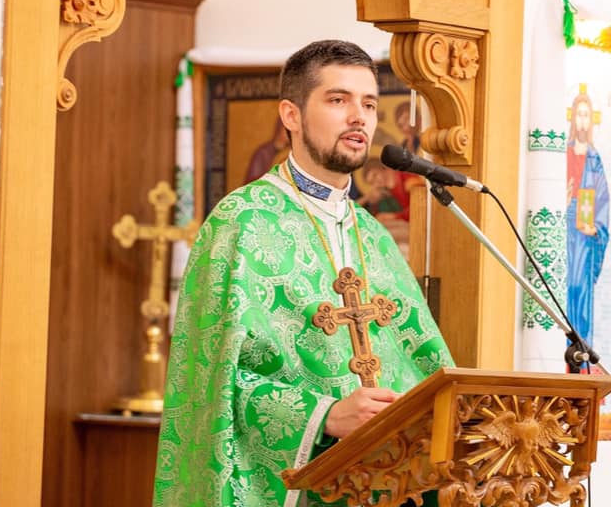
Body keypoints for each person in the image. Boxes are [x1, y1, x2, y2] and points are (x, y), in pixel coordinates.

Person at [153, 40, 453, 507]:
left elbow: (422, 361)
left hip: (383, 483)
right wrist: (324, 415)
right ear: (290, 115)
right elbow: (211, 384)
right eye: (338, 100)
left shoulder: (373, 236)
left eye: (368, 104)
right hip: (296, 484)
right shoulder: (242, 223)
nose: (359, 117)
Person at [565, 89, 609, 352]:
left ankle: (581, 357)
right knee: (564, 287)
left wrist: (596, 228)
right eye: (579, 115)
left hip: (584, 236)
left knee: (580, 290)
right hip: (564, 231)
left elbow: (602, 198)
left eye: (586, 116)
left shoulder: (594, 159)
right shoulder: (564, 154)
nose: (582, 121)